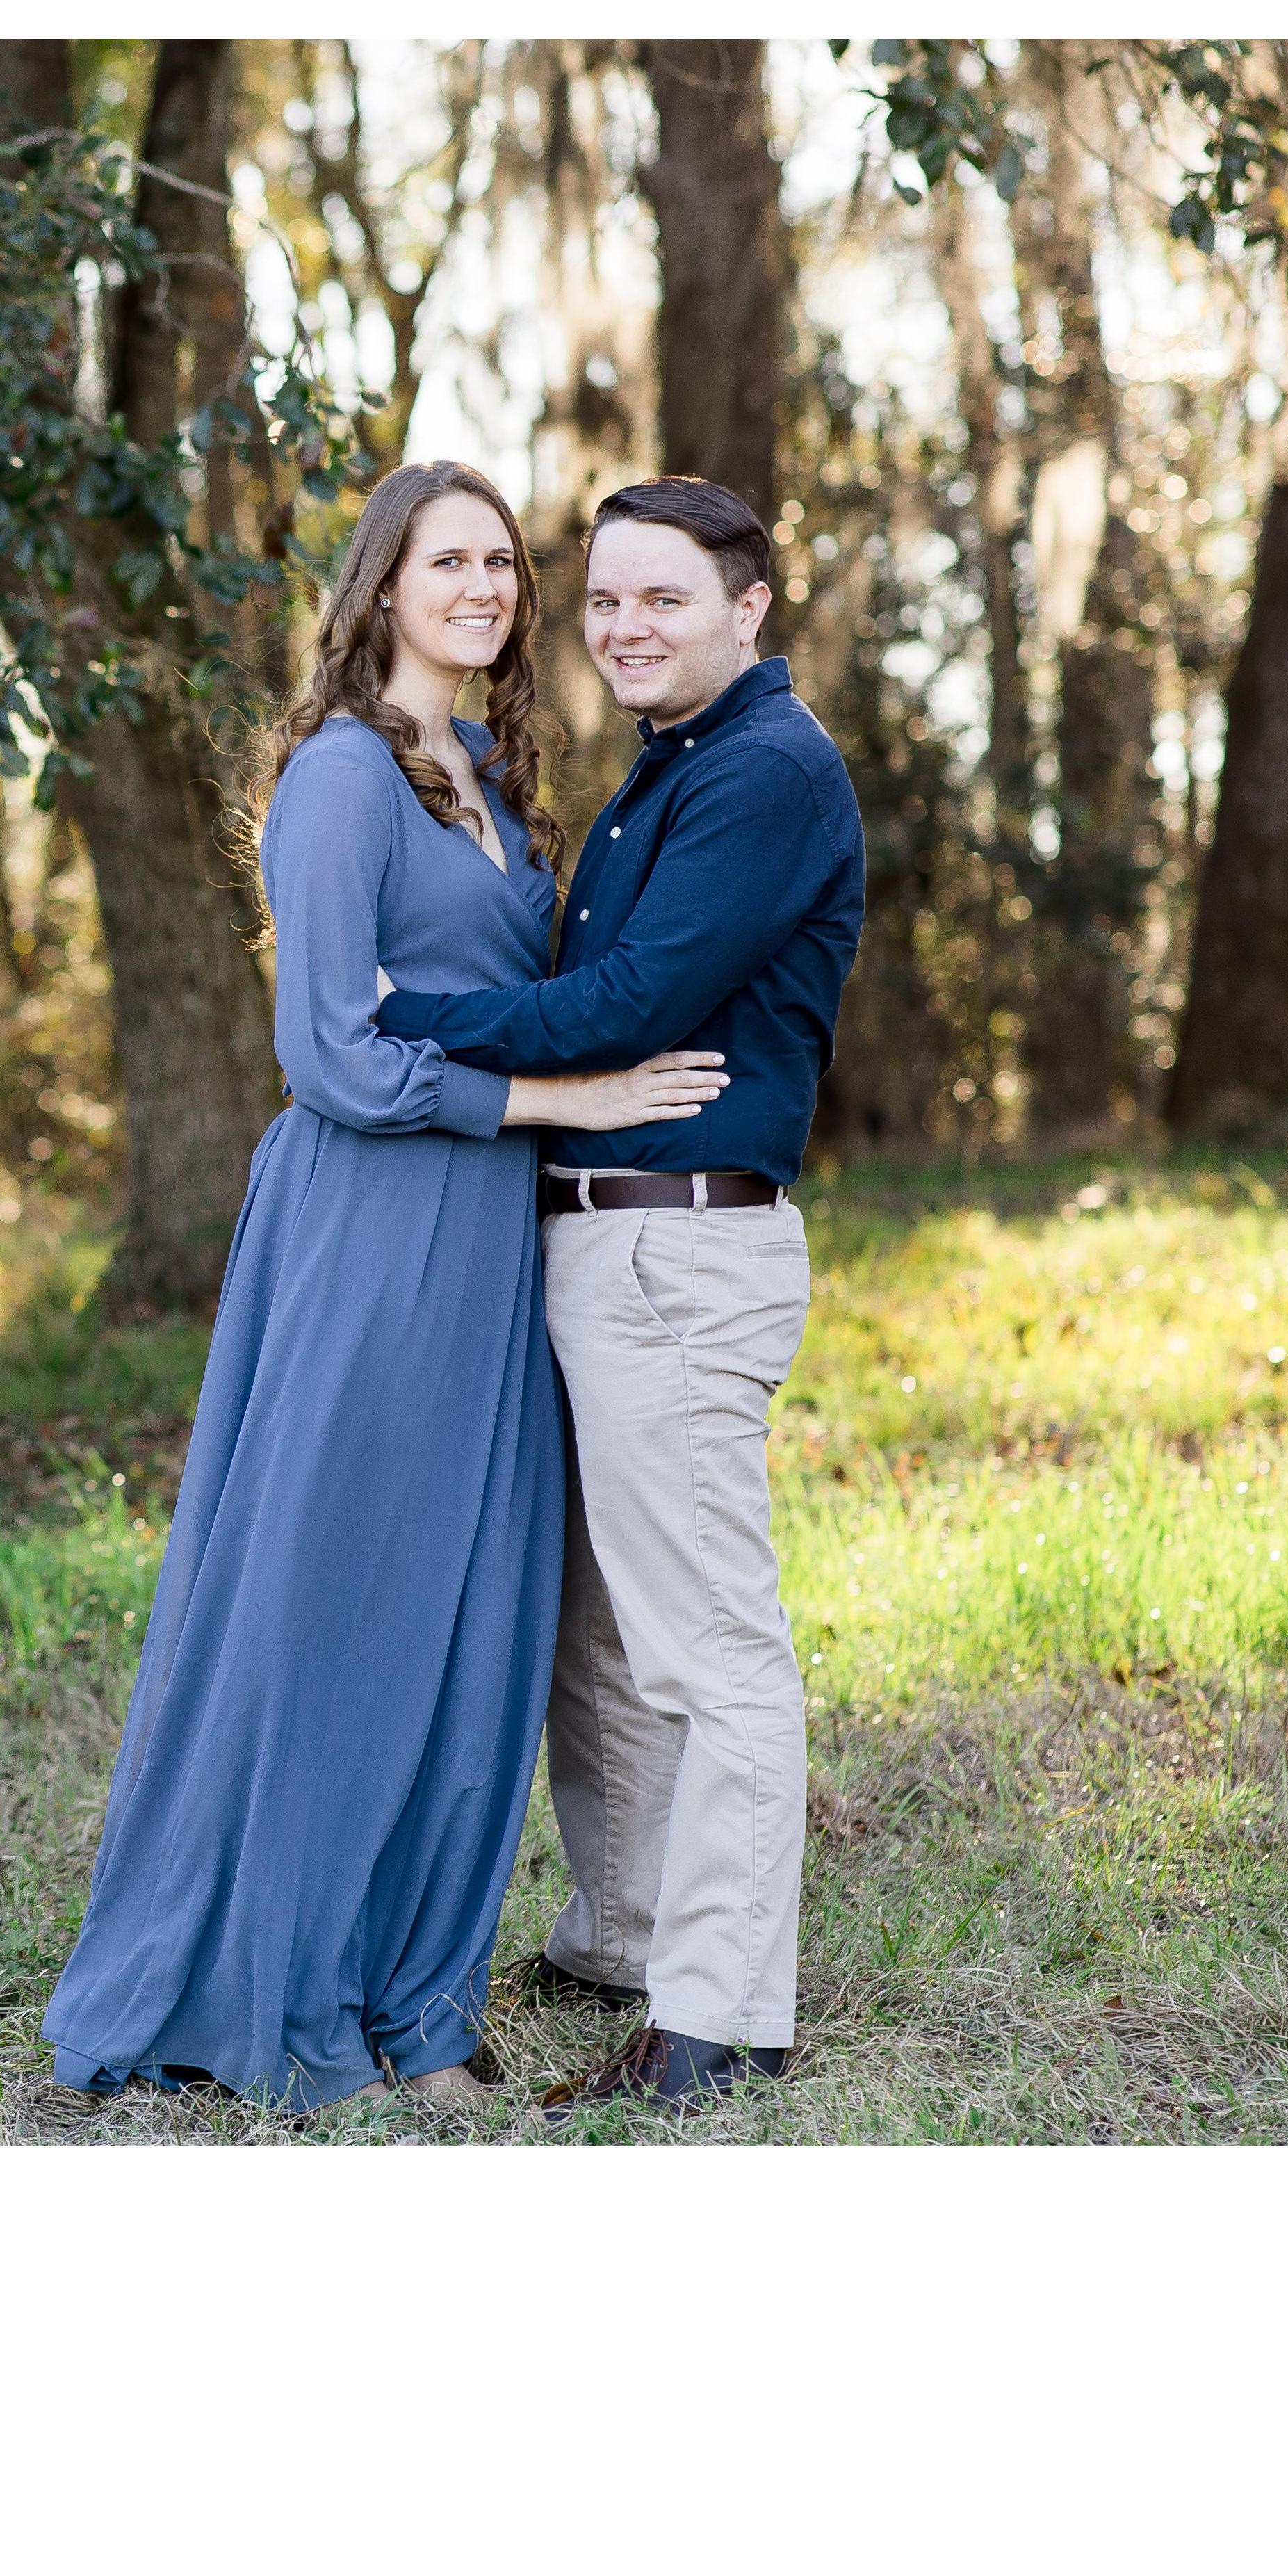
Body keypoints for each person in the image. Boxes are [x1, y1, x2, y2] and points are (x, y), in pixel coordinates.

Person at [40, 462, 726, 2116]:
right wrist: (563, 1102)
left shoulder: (483, 770)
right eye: (446, 560)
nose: (482, 586)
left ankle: (415, 1998)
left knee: (468, 1613)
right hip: (366, 1224)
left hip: (490, 1236)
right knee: (334, 1596)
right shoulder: (341, 775)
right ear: (380, 585)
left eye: (500, 562)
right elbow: (327, 1055)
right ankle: (279, 1989)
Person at [373, 473, 864, 2112]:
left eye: (664, 596)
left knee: (703, 1634)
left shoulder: (766, 772)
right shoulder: (673, 764)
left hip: (678, 1245)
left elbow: (630, 1002)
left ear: (748, 605)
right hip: (596, 1240)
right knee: (590, 1630)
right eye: (603, 598)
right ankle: (623, 1932)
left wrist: (397, 1018)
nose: (624, 625)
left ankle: (717, 2008)